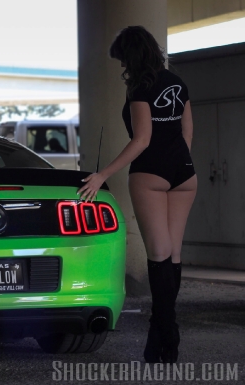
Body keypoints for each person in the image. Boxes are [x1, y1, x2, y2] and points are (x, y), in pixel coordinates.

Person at [77, 25, 197, 363]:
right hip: (185, 174)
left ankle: (165, 330)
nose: (122, 68)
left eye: (122, 61)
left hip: (150, 174)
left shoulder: (140, 88)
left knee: (158, 254)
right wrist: (178, 160)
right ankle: (165, 337)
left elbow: (141, 139)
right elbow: (187, 131)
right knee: (172, 254)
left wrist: (102, 175)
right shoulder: (178, 82)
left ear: (130, 56)